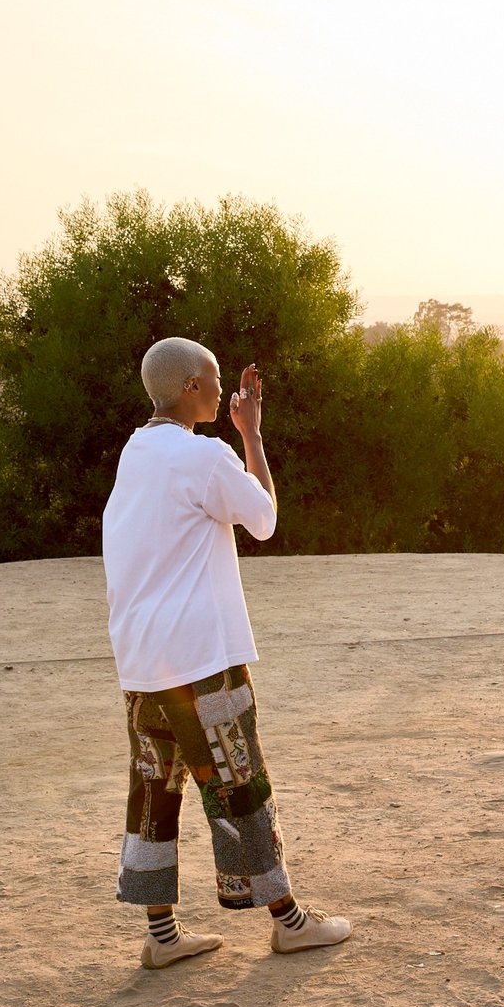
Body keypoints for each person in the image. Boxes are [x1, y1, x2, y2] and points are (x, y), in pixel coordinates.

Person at [102, 337, 351, 968]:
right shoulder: (204, 455)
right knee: (241, 782)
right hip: (201, 659)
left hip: (142, 660)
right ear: (190, 386)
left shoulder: (136, 451)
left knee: (155, 785)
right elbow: (264, 519)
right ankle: (288, 922)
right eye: (214, 379)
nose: (223, 391)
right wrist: (253, 436)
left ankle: (161, 935)